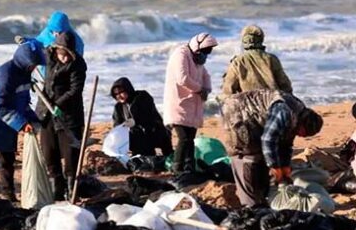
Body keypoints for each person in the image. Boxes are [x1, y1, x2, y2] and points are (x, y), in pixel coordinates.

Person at [0, 38, 45, 201]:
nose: (34, 69)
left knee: (7, 161)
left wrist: (33, 120)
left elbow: (23, 103)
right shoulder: (5, 74)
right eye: (32, 65)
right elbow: (1, 105)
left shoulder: (25, 75)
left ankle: (8, 195)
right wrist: (21, 124)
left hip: (6, 123)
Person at [221, 89, 323, 206]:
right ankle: (249, 203)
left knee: (265, 155)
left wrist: (285, 166)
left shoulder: (298, 117)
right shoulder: (284, 112)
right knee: (248, 155)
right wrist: (274, 166)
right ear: (302, 123)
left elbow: (286, 143)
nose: (300, 136)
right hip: (238, 111)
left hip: (257, 118)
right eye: (302, 133)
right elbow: (268, 139)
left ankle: (262, 196)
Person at [36, 32, 86, 201]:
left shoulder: (78, 65)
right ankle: (56, 192)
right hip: (46, 113)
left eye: (68, 56)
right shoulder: (48, 55)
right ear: (56, 50)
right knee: (50, 153)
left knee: (71, 155)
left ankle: (72, 192)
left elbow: (75, 90)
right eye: (62, 55)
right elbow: (32, 50)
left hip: (68, 115)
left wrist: (58, 105)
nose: (65, 59)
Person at [163, 32, 218, 175]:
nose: (205, 55)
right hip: (178, 103)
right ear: (197, 47)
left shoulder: (197, 59)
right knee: (184, 138)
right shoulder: (181, 54)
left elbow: (206, 75)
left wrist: (207, 88)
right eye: (205, 51)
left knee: (190, 139)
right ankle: (177, 168)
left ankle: (190, 168)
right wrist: (200, 89)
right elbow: (183, 78)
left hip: (193, 105)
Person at [222, 25, 292, 96]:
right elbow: (285, 85)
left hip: (248, 103)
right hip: (271, 101)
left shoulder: (237, 62)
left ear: (244, 41)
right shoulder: (272, 58)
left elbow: (228, 90)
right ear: (261, 39)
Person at [110, 77, 173, 157]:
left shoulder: (142, 97)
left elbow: (147, 116)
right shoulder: (118, 107)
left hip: (155, 131)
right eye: (116, 94)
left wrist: (134, 121)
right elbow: (117, 125)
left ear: (128, 89)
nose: (119, 96)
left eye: (121, 92)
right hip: (137, 136)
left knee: (168, 154)